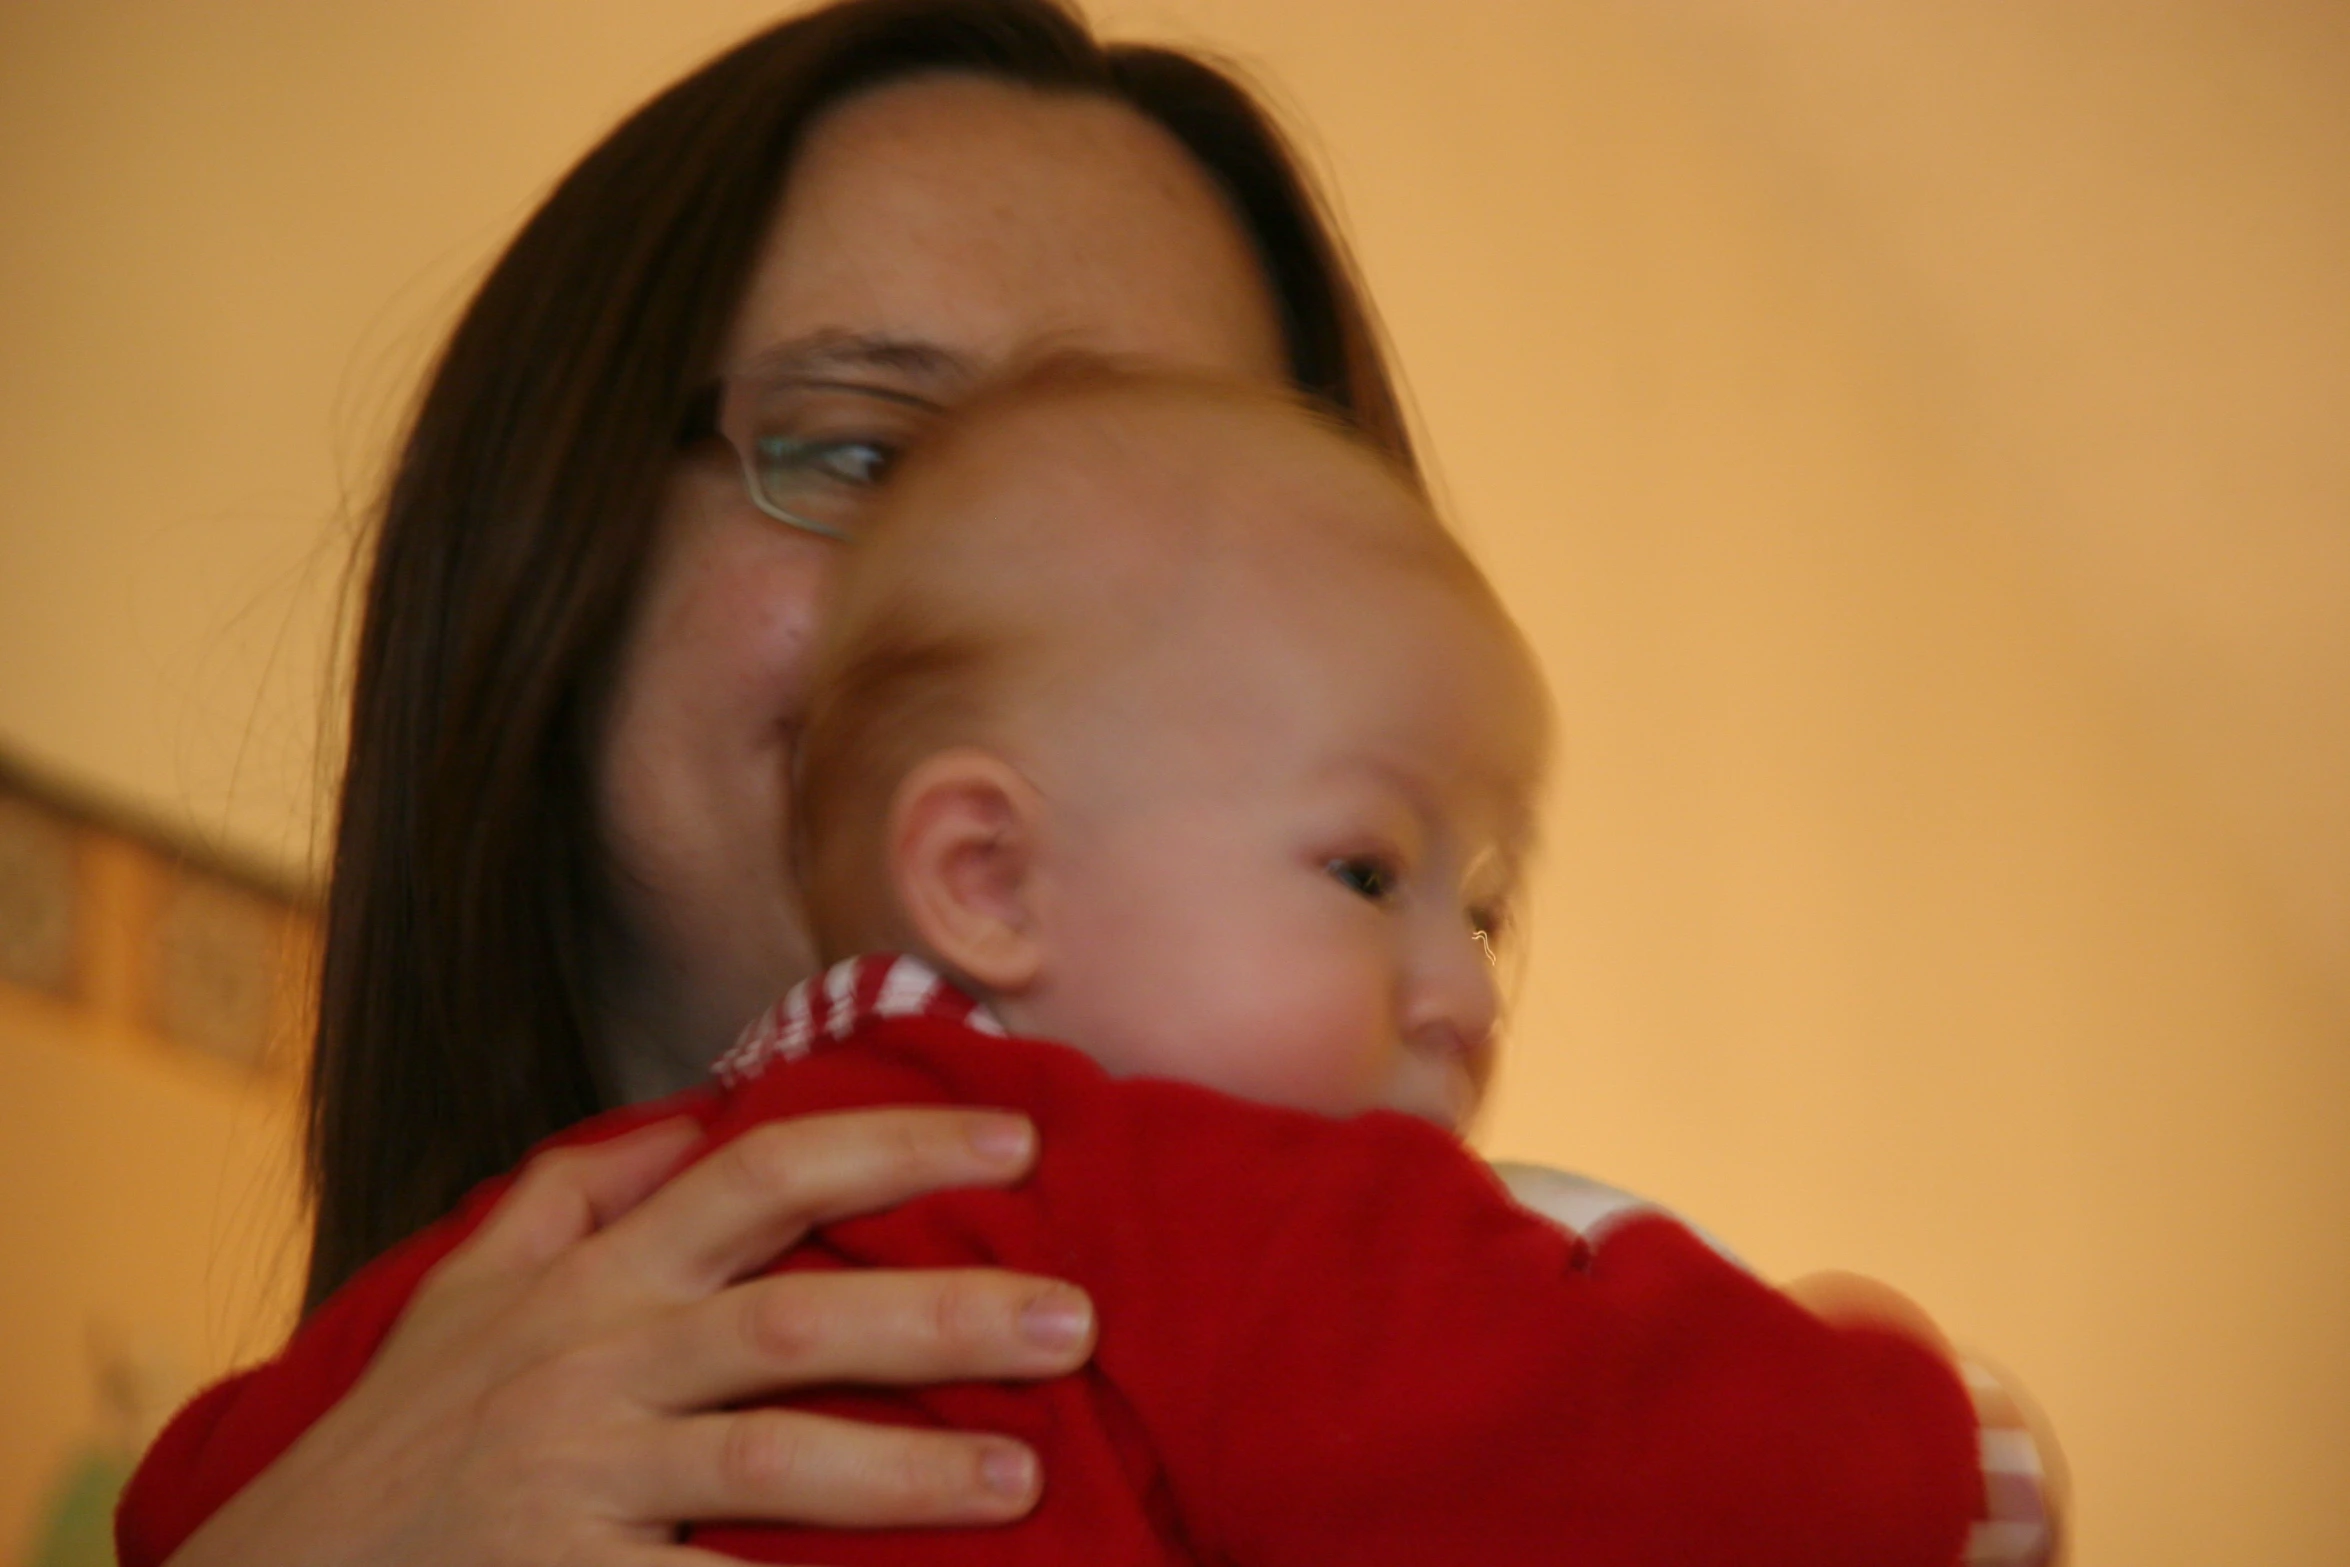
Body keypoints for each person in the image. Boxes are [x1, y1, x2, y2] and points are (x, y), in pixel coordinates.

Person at [140, 3, 2061, 1563]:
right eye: (870, 452)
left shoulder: (1425, 1285)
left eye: (1158, 498)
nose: (962, 590)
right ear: (550, 544)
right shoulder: (383, 1380)